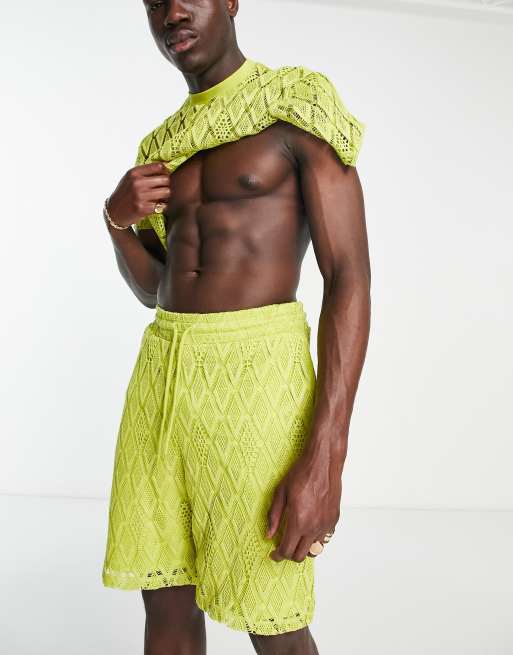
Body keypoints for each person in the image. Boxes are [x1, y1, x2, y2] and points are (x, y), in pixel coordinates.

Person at [101, 1, 371, 653]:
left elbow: (349, 278)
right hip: (163, 377)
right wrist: (117, 221)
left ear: (230, 1)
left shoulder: (295, 104)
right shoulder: (160, 146)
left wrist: (326, 457)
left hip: (257, 375)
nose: (172, 12)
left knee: (272, 614)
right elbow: (157, 289)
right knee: (165, 600)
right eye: (154, 1)